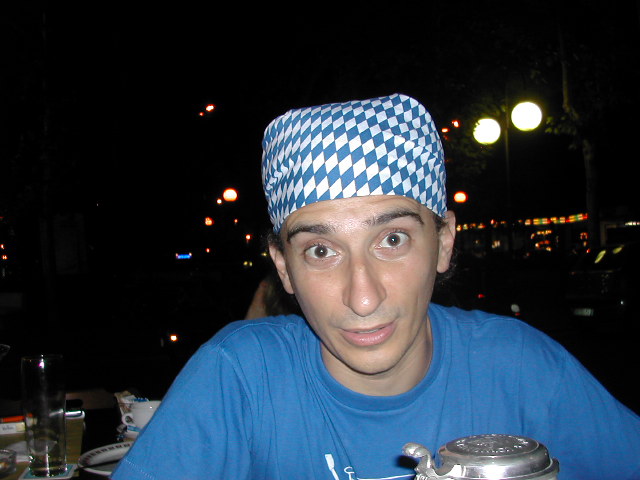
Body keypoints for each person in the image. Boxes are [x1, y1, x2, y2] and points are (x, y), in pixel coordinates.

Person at [112, 94, 640, 480]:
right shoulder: (240, 378)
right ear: (283, 267)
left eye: (392, 239)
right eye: (321, 251)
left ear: (443, 242)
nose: (362, 298)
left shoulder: (522, 369)